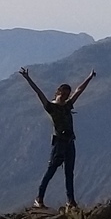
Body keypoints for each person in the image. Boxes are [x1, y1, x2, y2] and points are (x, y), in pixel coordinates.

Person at [20, 66, 96, 208]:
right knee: (51, 170)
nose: (66, 96)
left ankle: (70, 201)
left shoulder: (68, 105)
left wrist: (89, 78)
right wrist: (28, 78)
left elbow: (79, 90)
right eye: (64, 94)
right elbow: (38, 92)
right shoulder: (51, 107)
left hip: (69, 142)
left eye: (68, 94)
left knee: (69, 172)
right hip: (59, 143)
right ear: (58, 92)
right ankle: (39, 198)